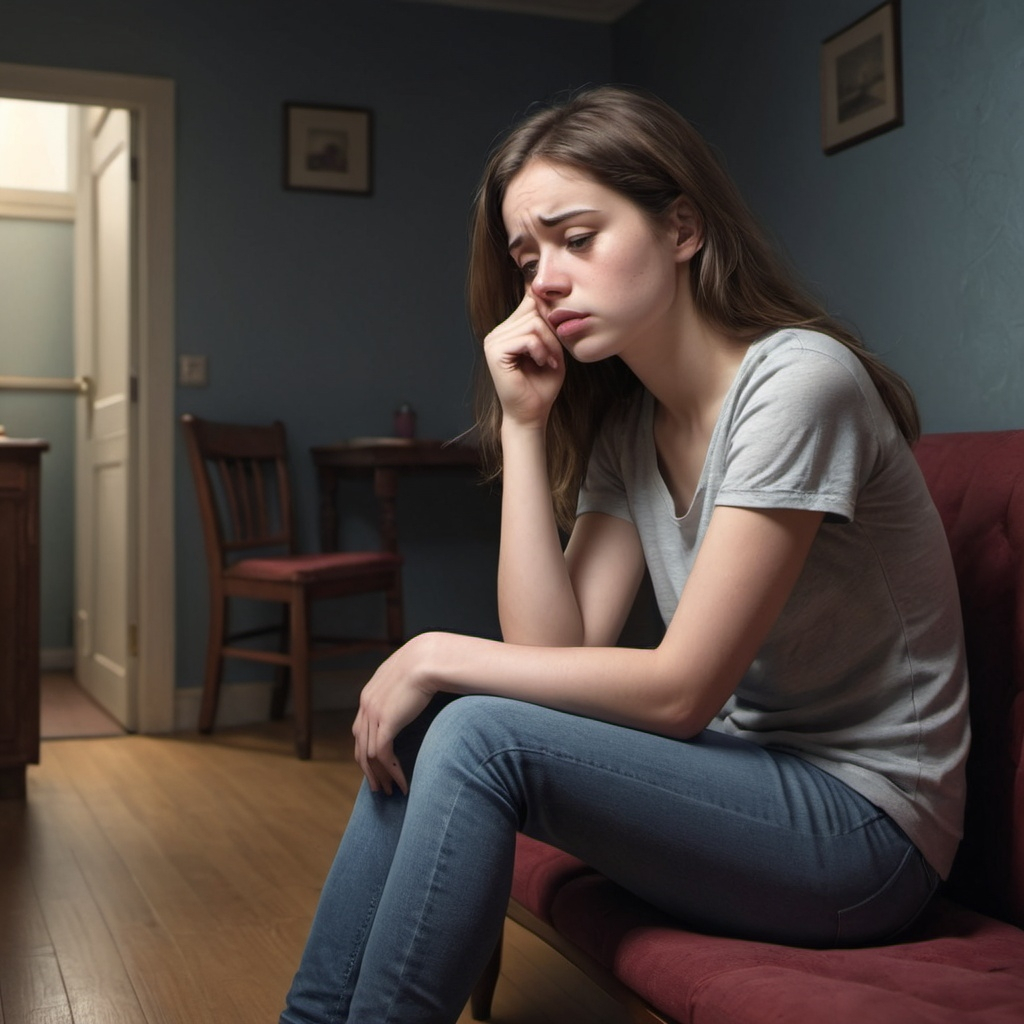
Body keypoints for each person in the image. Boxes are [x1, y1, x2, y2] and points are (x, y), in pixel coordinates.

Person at [280, 85, 969, 1024]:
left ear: (682, 227)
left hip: (869, 836)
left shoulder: (799, 382)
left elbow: (682, 691)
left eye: (577, 238)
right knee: (427, 724)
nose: (544, 282)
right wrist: (524, 430)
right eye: (527, 257)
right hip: (752, 786)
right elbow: (549, 656)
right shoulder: (633, 426)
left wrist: (433, 652)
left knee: (468, 722)